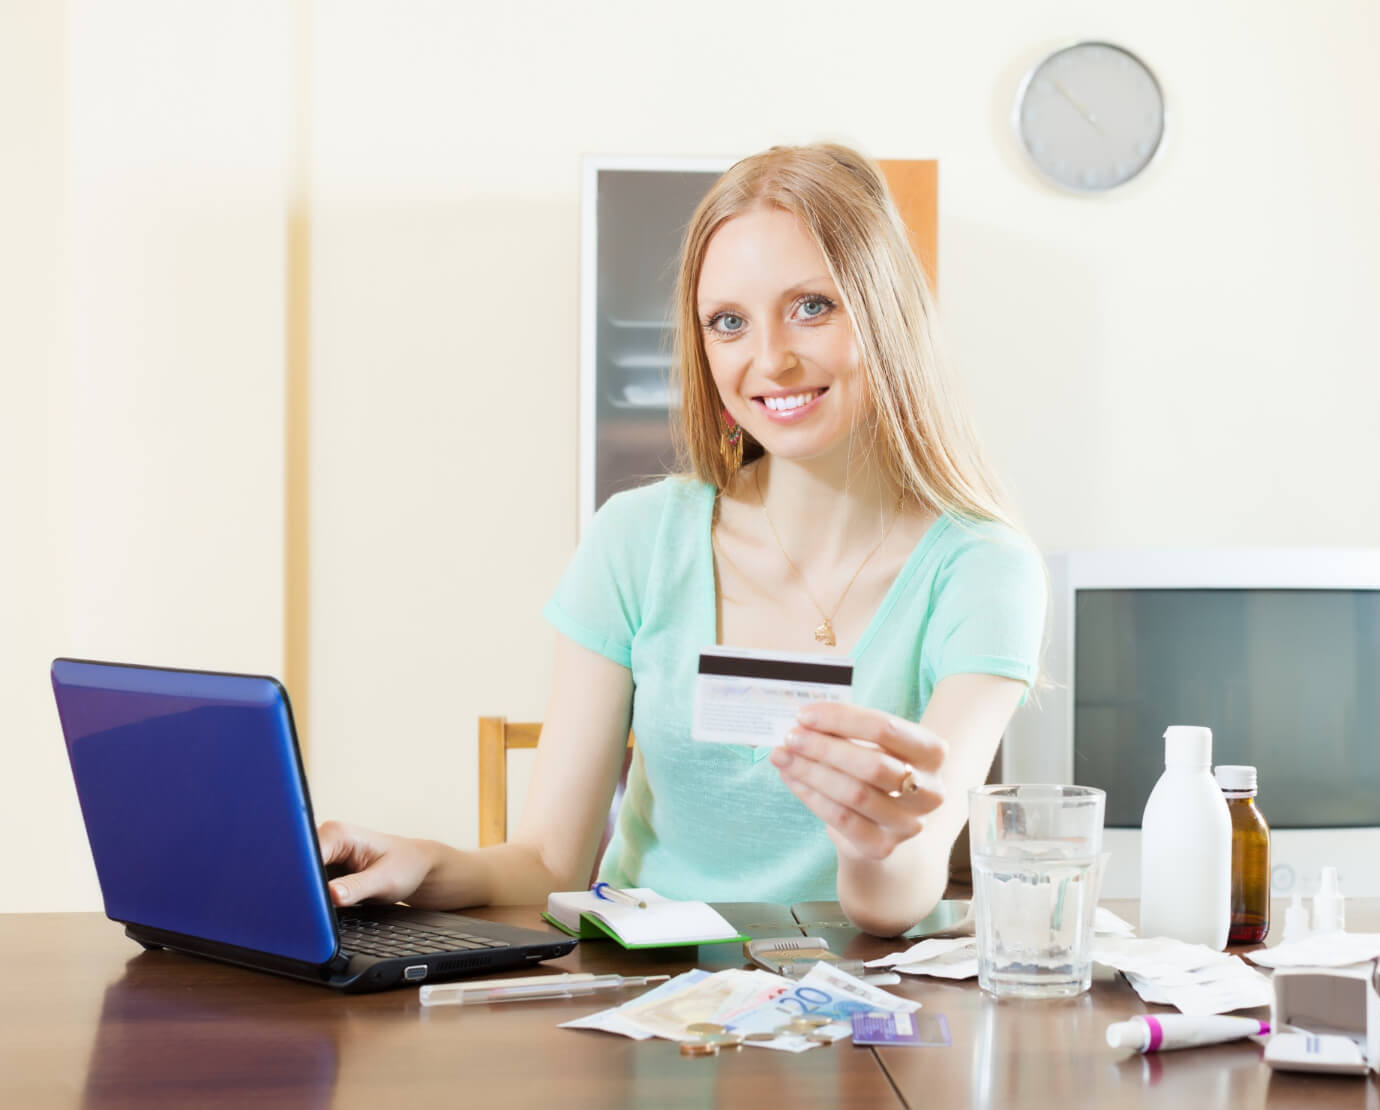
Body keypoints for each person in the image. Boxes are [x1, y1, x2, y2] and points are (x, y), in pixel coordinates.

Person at [319, 143, 1047, 937]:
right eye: (728, 322)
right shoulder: (636, 540)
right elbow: (549, 862)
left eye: (813, 306)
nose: (770, 358)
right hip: (644, 1004)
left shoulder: (984, 572)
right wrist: (427, 864)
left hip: (852, 1018)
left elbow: (893, 902)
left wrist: (875, 844)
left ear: (887, 313)